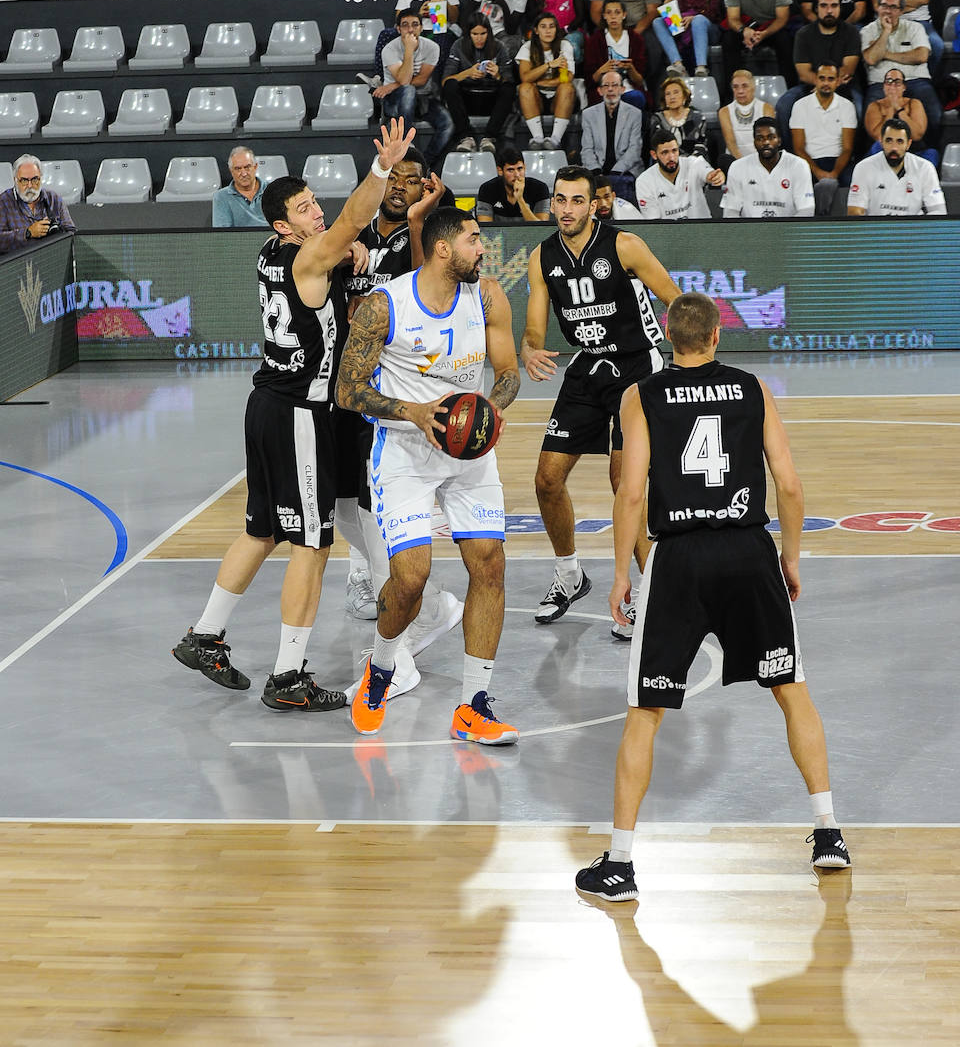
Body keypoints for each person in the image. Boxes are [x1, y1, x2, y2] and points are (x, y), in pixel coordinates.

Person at [574, 291, 851, 902]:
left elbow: (630, 494)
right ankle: (829, 831)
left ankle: (619, 864)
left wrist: (622, 572)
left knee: (646, 713)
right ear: (717, 336)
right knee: (792, 692)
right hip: (749, 552)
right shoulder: (752, 388)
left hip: (679, 562)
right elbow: (791, 485)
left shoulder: (639, 395)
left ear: (668, 337)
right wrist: (791, 556)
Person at [171, 118, 416, 712]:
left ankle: (204, 635)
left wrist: (346, 260)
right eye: (305, 210)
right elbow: (357, 220)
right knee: (312, 544)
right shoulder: (309, 258)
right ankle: (288, 676)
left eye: (315, 204)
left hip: (267, 406)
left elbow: (338, 255)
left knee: (262, 529)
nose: (317, 214)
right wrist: (381, 170)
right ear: (283, 224)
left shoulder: (273, 253)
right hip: (301, 413)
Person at [336, 206, 521, 743]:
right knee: (411, 579)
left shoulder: (487, 297)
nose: (482, 248)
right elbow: (348, 390)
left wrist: (491, 410)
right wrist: (415, 413)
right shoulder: (383, 306)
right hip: (404, 450)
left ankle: (473, 707)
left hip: (467, 453)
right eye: (474, 239)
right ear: (443, 248)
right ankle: (383, 665)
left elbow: (506, 373)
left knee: (489, 567)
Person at [521, 165, 680, 629]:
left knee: (622, 482)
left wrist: (693, 350)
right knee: (546, 479)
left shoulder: (624, 245)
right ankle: (570, 575)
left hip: (637, 368)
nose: (566, 209)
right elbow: (533, 327)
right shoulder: (541, 257)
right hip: (588, 366)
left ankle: (650, 595)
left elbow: (675, 297)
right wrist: (530, 349)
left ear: (594, 206)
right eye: (559, 199)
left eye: (576, 200)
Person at [338, 148, 464, 679]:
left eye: (412, 180)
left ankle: (415, 614)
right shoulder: (352, 230)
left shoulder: (422, 241)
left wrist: (417, 220)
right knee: (340, 501)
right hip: (340, 389)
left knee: (370, 501)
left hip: (388, 397)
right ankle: (393, 585)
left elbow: (423, 288)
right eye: (394, 175)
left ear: (425, 190)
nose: (399, 185)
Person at [775, 0, 863, 143]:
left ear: (840, 8)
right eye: (824, 6)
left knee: (859, 108)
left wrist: (826, 84)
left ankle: (854, 157)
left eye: (834, 6)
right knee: (784, 105)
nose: (829, 11)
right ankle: (789, 154)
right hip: (808, 86)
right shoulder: (804, 34)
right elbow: (803, 72)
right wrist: (823, 84)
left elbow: (848, 69)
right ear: (816, 9)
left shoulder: (851, 32)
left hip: (845, 86)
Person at [374, 7, 455, 166]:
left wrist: (391, 85)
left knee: (448, 125)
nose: (410, 29)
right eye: (405, 25)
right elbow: (405, 81)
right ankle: (405, 145)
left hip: (423, 99)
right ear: (398, 29)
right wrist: (409, 50)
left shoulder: (432, 47)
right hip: (395, 100)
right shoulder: (389, 49)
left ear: (421, 27)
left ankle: (424, 163)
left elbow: (422, 80)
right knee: (408, 90)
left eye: (415, 24)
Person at [860, 0, 940, 145]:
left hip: (915, 80)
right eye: (884, 6)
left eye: (893, 7)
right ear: (877, 8)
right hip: (880, 84)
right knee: (869, 119)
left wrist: (885, 54)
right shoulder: (867, 31)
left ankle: (928, 153)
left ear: (901, 10)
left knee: (935, 113)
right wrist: (885, 32)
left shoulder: (915, 28)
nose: (887, 11)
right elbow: (870, 58)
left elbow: (921, 56)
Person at [441, 13, 516, 154]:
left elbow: (509, 80)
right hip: (467, 98)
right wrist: (467, 73)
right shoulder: (458, 46)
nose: (479, 38)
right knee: (451, 85)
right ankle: (465, 137)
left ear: (489, 32)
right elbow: (445, 80)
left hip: (491, 97)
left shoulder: (499, 47)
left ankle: (489, 137)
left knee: (509, 88)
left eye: (483, 33)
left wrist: (498, 75)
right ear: (469, 34)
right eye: (475, 34)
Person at [789, 63, 857, 215]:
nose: (826, 83)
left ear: (838, 81)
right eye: (822, 78)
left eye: (831, 79)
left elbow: (847, 148)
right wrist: (818, 172)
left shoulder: (847, 106)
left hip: (838, 162)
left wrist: (834, 173)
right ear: (815, 79)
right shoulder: (800, 106)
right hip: (809, 161)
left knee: (855, 179)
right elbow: (798, 147)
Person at [847, 118, 946, 215]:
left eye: (900, 141)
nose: (894, 148)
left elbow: (938, 211)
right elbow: (855, 212)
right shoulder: (864, 168)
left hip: (913, 229)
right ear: (881, 142)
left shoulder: (925, 168)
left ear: (908, 144)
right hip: (877, 229)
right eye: (889, 141)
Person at [723, 116, 814, 216]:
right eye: (760, 138)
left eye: (771, 137)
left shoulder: (799, 166)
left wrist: (787, 231)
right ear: (754, 142)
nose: (766, 142)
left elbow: (806, 210)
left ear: (779, 140)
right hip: (750, 230)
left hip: (787, 230)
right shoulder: (738, 167)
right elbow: (730, 211)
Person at [580, 70, 646, 203]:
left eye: (615, 85)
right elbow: (586, 149)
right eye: (606, 85)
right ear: (599, 90)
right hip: (597, 169)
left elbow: (635, 149)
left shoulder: (635, 114)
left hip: (625, 170)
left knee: (618, 182)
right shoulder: (588, 114)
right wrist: (596, 170)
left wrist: (615, 172)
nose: (610, 89)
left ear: (622, 89)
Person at [516, 11, 577, 150]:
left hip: (558, 96)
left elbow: (567, 77)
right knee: (525, 87)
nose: (548, 30)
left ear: (557, 29)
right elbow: (525, 77)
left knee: (567, 87)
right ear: (536, 30)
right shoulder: (527, 48)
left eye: (552, 26)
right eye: (543, 27)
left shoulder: (565, 45)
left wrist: (540, 82)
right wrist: (549, 65)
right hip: (536, 97)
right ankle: (537, 138)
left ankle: (555, 139)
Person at [635, 127, 724, 220]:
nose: (671, 157)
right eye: (665, 152)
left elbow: (707, 172)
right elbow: (653, 223)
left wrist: (715, 177)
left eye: (674, 150)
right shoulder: (644, 181)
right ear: (654, 155)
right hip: (667, 232)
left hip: (701, 229)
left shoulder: (693, 163)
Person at [0, 153, 76, 253]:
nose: (30, 185)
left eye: (35, 179)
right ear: (15, 180)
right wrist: (27, 233)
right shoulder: (3, 202)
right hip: (18, 264)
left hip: (51, 258)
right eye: (24, 180)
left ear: (41, 178)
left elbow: (71, 233)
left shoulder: (54, 199)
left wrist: (56, 233)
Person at [584, 0, 647, 109]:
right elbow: (589, 81)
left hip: (628, 90)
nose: (613, 16)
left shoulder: (636, 39)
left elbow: (640, 80)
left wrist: (631, 68)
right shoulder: (595, 40)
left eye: (617, 12)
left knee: (637, 98)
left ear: (624, 15)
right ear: (604, 16)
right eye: (609, 12)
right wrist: (602, 70)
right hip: (604, 90)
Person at [863, 69, 936, 163]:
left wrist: (899, 109)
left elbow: (917, 135)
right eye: (889, 82)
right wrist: (890, 109)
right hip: (884, 151)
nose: (892, 86)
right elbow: (878, 136)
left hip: (912, 150)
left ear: (904, 87)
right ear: (884, 87)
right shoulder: (874, 106)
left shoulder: (914, 103)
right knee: (877, 147)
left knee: (932, 154)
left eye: (897, 82)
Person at [649, 74, 720, 165]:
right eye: (668, 94)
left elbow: (701, 146)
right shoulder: (657, 119)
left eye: (676, 92)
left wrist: (685, 165)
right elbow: (658, 148)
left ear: (685, 97)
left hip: (694, 165)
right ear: (664, 99)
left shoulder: (697, 118)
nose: (672, 97)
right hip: (666, 165)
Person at [475, 142, 551, 223]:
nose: (517, 175)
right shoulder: (487, 189)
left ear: (524, 167)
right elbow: (485, 228)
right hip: (499, 235)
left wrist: (520, 199)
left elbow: (541, 228)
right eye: (510, 170)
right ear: (500, 171)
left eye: (520, 168)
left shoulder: (540, 188)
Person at [718, 68, 776, 162]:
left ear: (753, 87)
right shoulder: (724, 112)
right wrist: (743, 165)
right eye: (735, 87)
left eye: (745, 86)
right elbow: (730, 143)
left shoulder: (767, 108)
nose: (740, 91)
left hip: (762, 160)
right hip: (735, 161)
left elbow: (767, 141)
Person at [212, 146, 267, 228]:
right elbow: (222, 233)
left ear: (255, 167)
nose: (244, 173)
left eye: (247, 167)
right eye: (238, 169)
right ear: (231, 171)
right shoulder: (221, 197)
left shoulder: (272, 190)